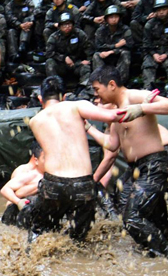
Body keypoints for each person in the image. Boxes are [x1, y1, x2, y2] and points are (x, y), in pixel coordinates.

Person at [89, 65, 168, 257]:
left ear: (111, 85)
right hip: (136, 168)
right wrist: (88, 127)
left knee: (132, 218)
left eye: (97, 89)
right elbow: (112, 145)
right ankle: (165, 240)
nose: (97, 95)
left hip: (153, 164)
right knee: (143, 212)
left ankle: (165, 258)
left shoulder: (135, 96)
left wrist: (141, 108)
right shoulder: (115, 112)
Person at [25, 75, 127, 243]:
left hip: (53, 184)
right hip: (83, 184)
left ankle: (30, 261)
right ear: (64, 97)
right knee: (79, 239)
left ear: (40, 98)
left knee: (39, 230)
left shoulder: (35, 121)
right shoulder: (76, 106)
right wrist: (144, 107)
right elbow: (113, 116)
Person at [141, 0, 168, 93]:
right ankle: (148, 88)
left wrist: (166, 54)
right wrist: (154, 54)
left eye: (164, 9)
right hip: (153, 52)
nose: (161, 12)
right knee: (147, 65)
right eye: (159, 10)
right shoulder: (150, 24)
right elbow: (146, 43)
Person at [0, 140, 44, 228]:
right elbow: (9, 192)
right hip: (18, 211)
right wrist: (19, 202)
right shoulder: (26, 173)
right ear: (36, 159)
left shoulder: (47, 173)